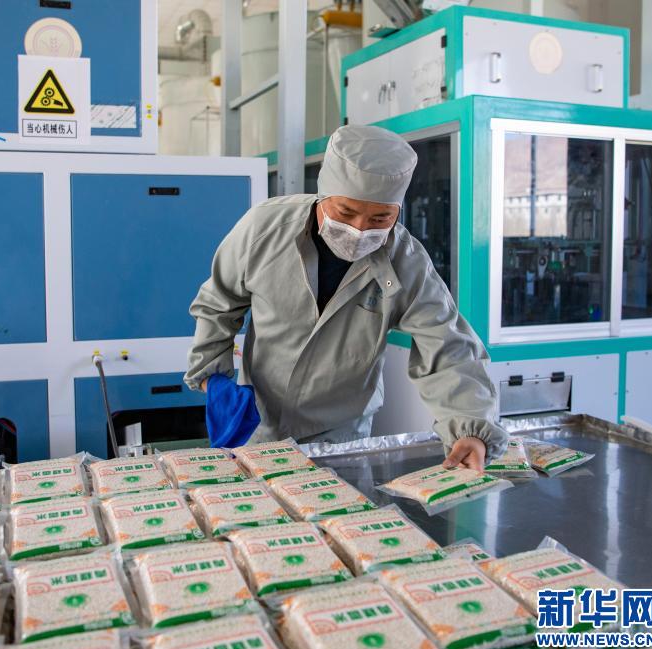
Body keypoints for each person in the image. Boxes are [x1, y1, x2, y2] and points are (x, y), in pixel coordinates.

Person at [184, 125, 507, 472]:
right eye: (345, 213)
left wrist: (470, 427)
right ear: (323, 195)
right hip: (256, 423)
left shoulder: (406, 261)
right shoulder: (264, 229)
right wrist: (212, 376)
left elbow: (448, 346)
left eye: (380, 218)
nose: (359, 229)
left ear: (398, 212)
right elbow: (219, 302)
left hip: (341, 437)